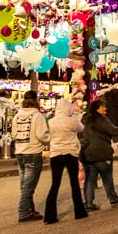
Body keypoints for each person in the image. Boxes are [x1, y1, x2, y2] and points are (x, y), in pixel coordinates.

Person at [43, 99, 86, 224]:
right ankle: (79, 212)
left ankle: (49, 215)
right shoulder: (72, 121)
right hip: (70, 153)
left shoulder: (51, 122)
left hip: (55, 154)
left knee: (55, 184)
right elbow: (81, 128)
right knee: (74, 183)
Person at [80, 98, 118, 210]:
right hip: (101, 153)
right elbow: (113, 131)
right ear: (97, 109)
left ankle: (89, 203)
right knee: (107, 176)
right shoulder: (101, 120)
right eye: (102, 107)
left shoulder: (84, 119)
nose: (105, 108)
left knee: (90, 178)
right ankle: (112, 197)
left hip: (87, 153)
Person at [12, 90, 49, 222]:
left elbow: (14, 135)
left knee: (24, 184)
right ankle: (23, 212)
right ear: (36, 101)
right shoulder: (38, 116)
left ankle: (29, 209)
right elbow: (42, 135)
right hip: (33, 153)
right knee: (29, 186)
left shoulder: (17, 116)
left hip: (20, 153)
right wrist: (51, 140)